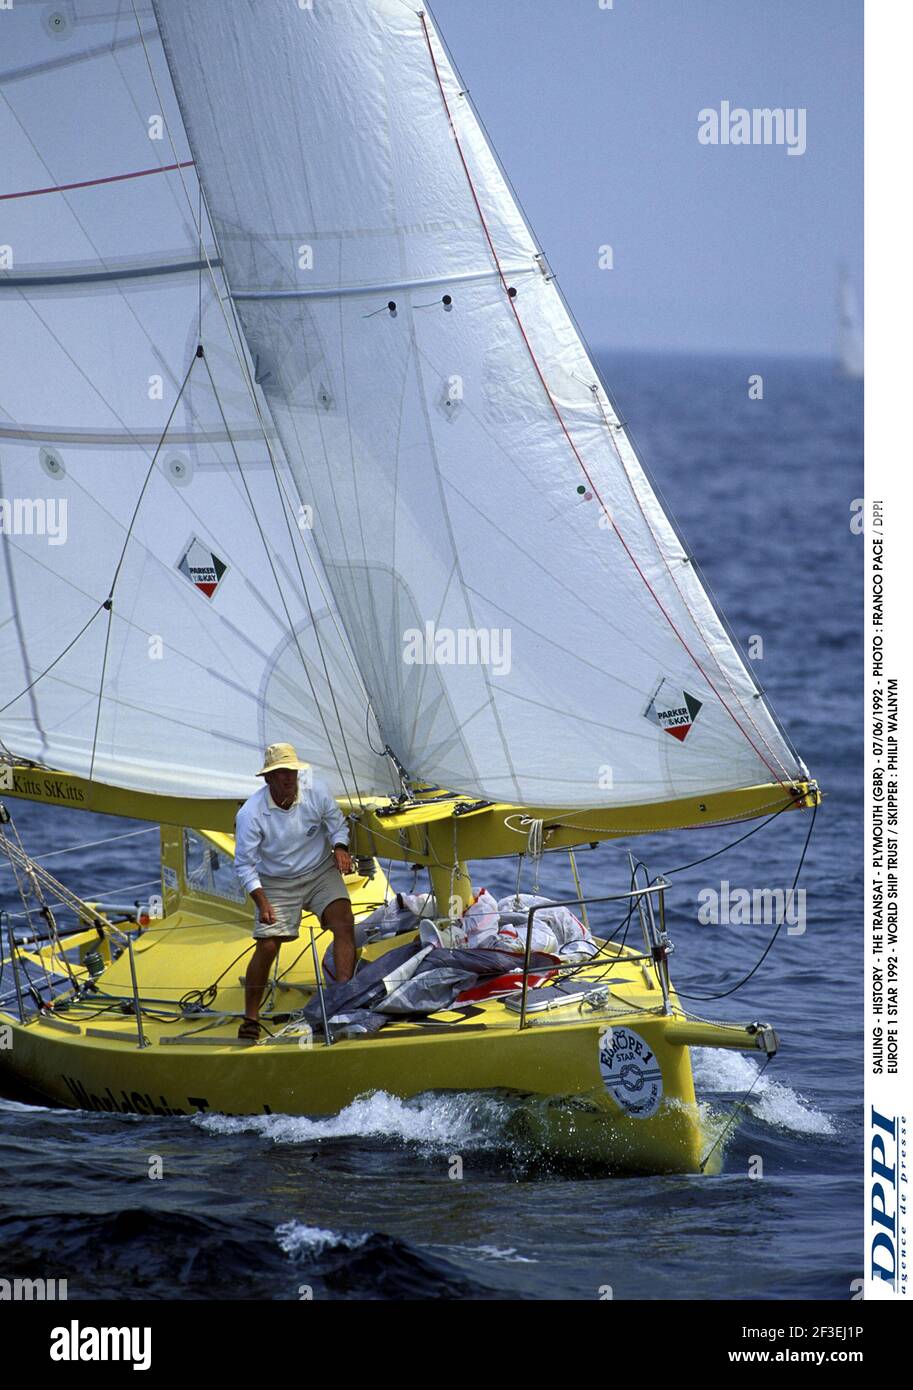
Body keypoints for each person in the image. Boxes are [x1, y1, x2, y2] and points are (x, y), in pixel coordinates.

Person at [233, 742, 355, 1040]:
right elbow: (244, 866)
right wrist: (262, 902)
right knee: (269, 944)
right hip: (276, 880)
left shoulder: (317, 791)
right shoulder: (251, 813)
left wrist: (340, 848)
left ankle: (343, 999)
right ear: (268, 779)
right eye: (281, 773)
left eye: (291, 771)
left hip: (319, 870)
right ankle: (250, 1017)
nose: (288, 777)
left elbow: (337, 825)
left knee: (344, 922)